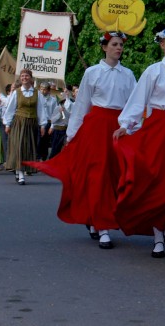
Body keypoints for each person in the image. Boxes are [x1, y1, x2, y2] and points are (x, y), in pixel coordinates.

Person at [27, 32, 136, 249]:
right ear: (104, 47)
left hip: (118, 127)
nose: (119, 48)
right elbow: (82, 103)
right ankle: (102, 224)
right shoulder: (93, 72)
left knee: (116, 173)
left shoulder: (128, 74)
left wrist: (131, 127)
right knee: (98, 174)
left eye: (121, 45)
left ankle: (98, 218)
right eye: (114, 44)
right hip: (96, 127)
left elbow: (134, 103)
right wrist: (72, 134)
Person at [113, 26, 165, 258]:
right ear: (162, 44)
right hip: (158, 128)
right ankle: (158, 235)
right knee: (157, 180)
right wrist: (126, 124)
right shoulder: (153, 71)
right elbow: (139, 100)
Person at [3, 69, 48, 185]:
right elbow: (10, 109)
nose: (24, 78)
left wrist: (43, 125)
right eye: (22, 76)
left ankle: (19, 171)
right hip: (19, 122)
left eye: (26, 76)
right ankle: (20, 172)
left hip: (31, 123)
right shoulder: (16, 92)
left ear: (31, 78)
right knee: (19, 147)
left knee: (27, 147)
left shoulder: (37, 93)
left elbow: (41, 110)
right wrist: (7, 124)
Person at [47, 87, 72, 159]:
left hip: (65, 131)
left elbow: (69, 120)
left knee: (62, 149)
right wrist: (59, 114)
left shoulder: (69, 109)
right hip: (57, 130)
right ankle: (51, 161)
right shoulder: (57, 108)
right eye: (62, 101)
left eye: (65, 101)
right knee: (55, 148)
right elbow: (53, 120)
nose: (64, 103)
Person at [36, 81, 57, 161]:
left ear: (48, 90)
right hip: (39, 122)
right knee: (38, 140)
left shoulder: (53, 100)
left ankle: (44, 157)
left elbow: (54, 114)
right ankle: (37, 156)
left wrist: (52, 126)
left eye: (44, 89)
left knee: (45, 141)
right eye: (41, 89)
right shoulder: (37, 98)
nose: (42, 91)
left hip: (48, 122)